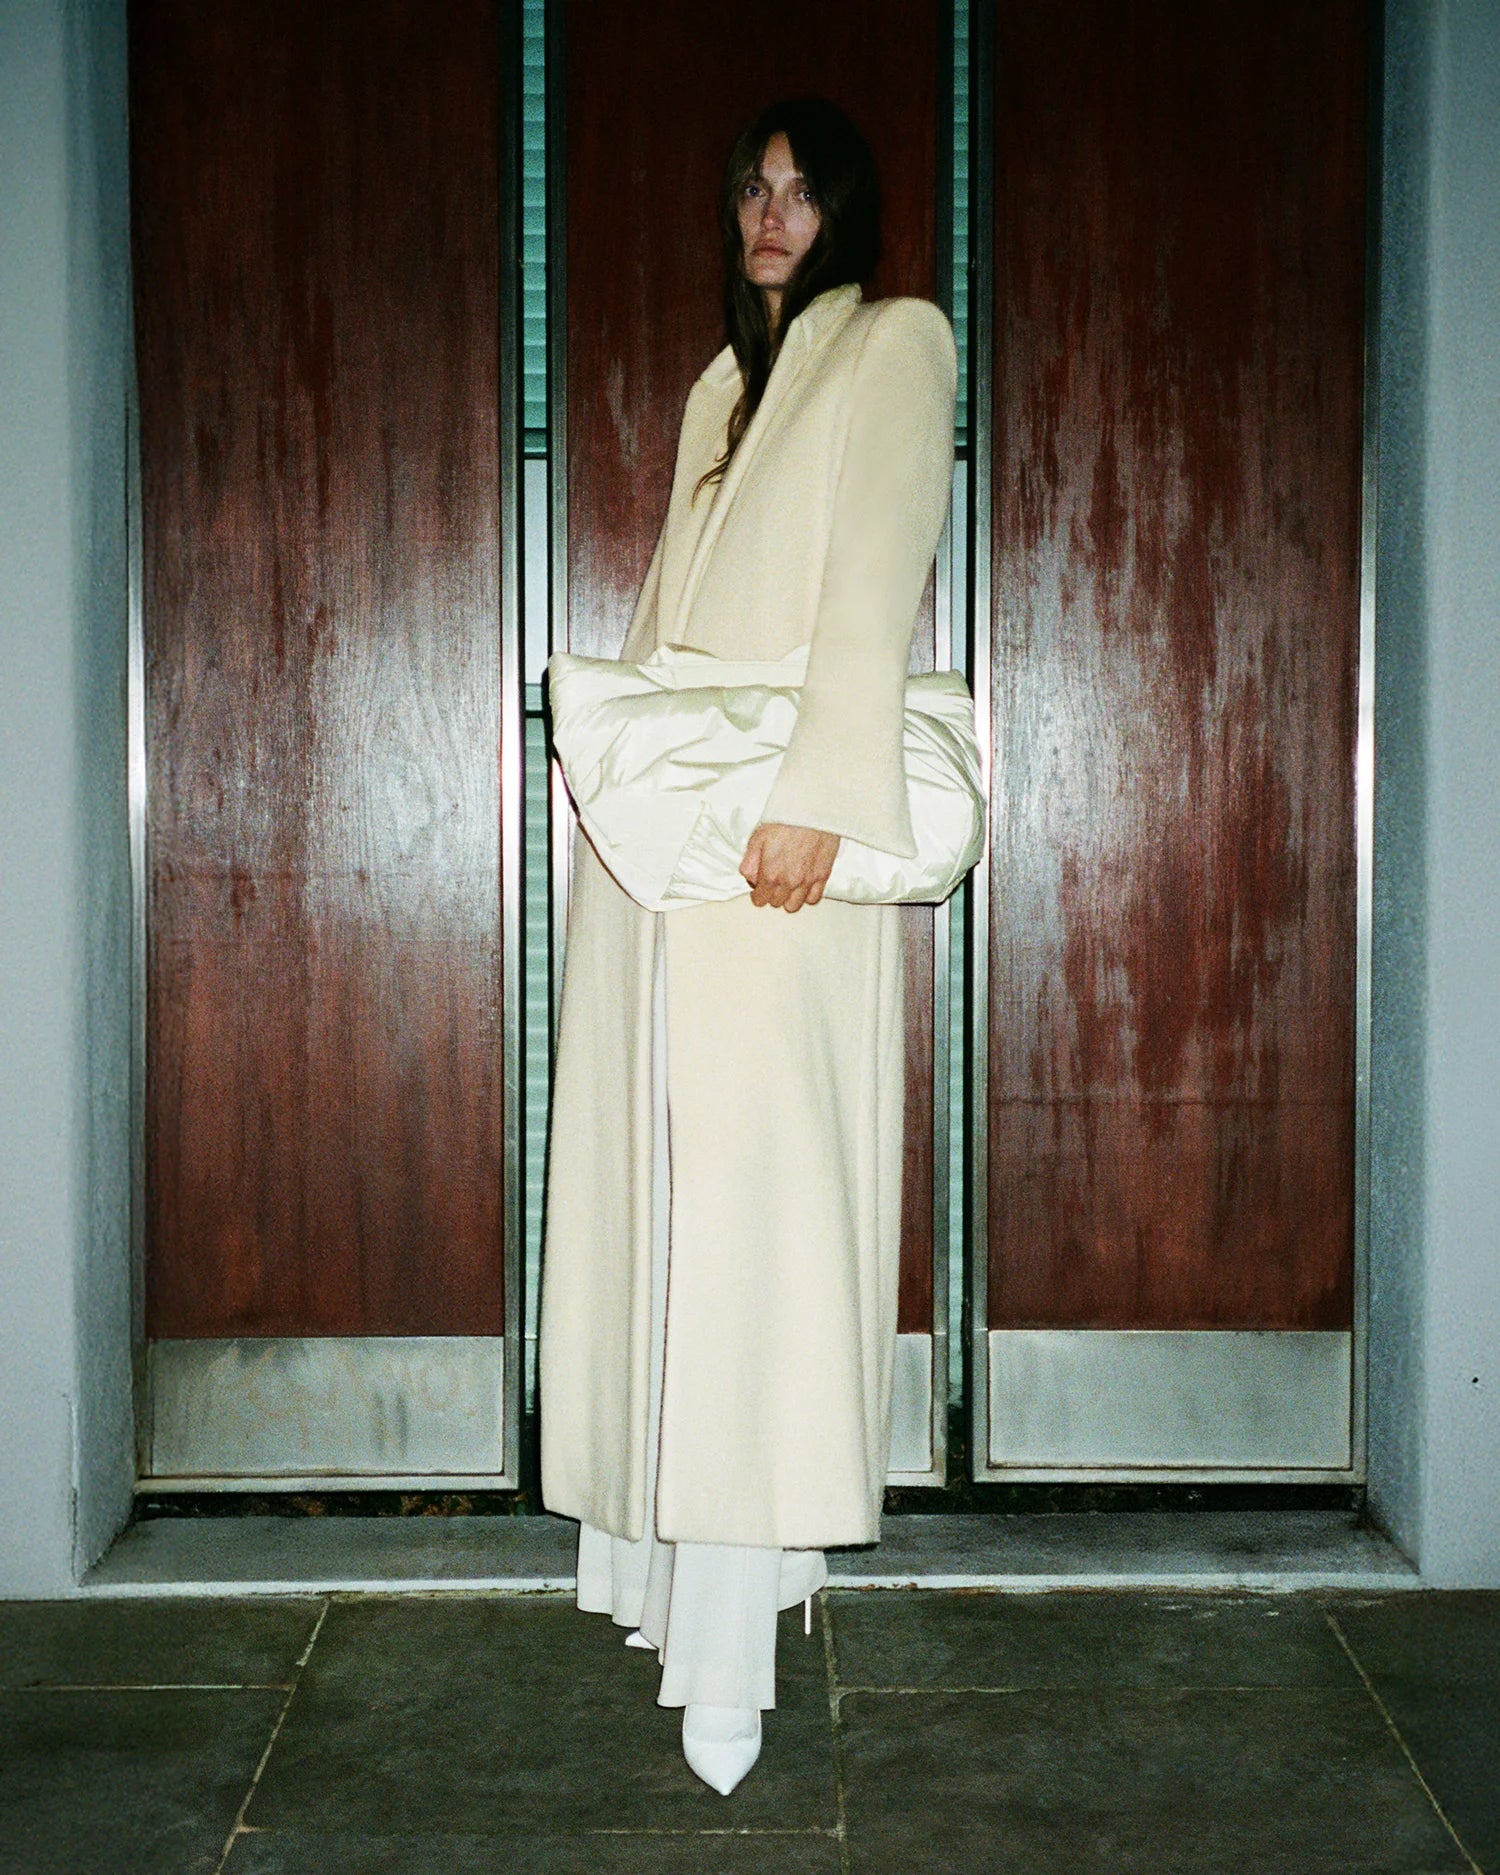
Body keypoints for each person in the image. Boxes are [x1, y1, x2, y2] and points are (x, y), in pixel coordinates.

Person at [538, 96, 956, 1794]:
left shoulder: (895, 344)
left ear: (844, 212)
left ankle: (737, 1645)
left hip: (782, 860)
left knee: (761, 1247)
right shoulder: (727, 385)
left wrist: (820, 797)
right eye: (753, 190)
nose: (772, 214)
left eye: (802, 191)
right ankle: (678, 1584)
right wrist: (625, 818)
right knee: (668, 1218)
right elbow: (670, 626)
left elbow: (875, 580)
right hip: (681, 855)